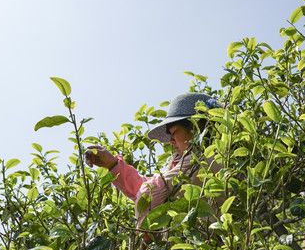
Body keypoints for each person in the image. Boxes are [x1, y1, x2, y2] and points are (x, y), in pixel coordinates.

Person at [85, 93, 219, 236]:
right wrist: (112, 164)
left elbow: (150, 192)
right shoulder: (185, 164)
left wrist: (147, 234)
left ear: (195, 127)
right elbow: (152, 188)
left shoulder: (208, 160)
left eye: (173, 133)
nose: (171, 141)